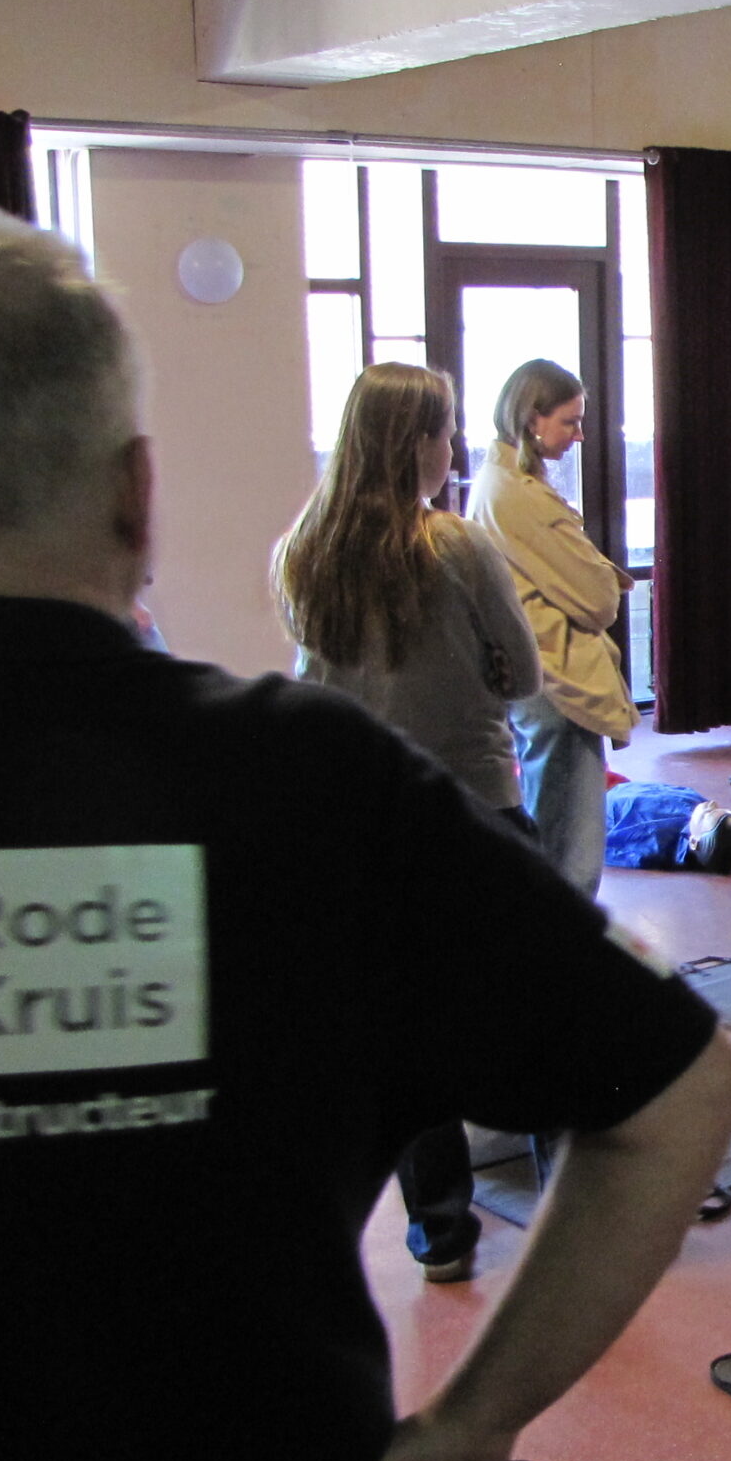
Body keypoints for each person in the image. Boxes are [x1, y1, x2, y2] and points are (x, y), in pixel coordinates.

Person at [0, 212, 731, 1461]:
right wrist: (477, 1414)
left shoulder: (322, 753)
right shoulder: (311, 785)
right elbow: (686, 1095)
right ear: (137, 494)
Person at [277, 359, 544, 1283]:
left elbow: (315, 685)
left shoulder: (303, 552)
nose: (453, 449)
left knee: (411, 1041)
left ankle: (440, 1235)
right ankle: (567, 1207)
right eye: (444, 433)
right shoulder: (456, 547)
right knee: (535, 1012)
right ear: (414, 445)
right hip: (475, 809)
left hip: (365, 827)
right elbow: (523, 671)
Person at [470, 358, 635, 895]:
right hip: (556, 679)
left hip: (542, 670)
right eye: (570, 421)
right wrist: (604, 582)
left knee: (560, 822)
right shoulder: (514, 494)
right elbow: (598, 599)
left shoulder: (505, 482)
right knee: (569, 841)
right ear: (533, 418)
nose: (579, 434)